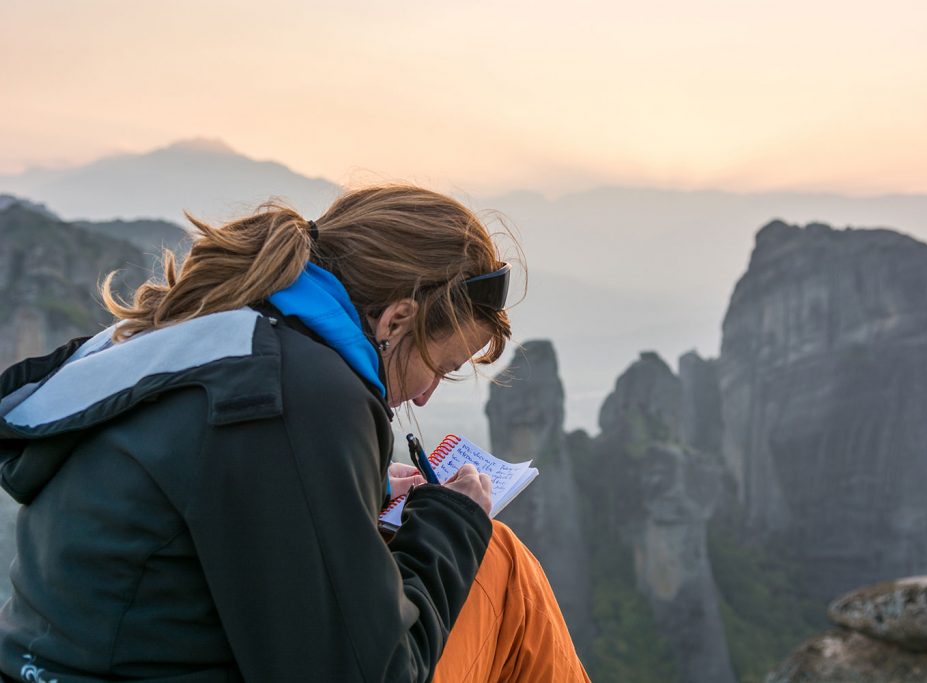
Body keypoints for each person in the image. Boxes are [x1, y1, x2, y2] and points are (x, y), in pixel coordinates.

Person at [0, 186, 590, 682]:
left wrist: (350, 489)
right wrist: (452, 522)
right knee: (494, 559)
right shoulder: (298, 395)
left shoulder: (218, 335)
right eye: (440, 366)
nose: (425, 396)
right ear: (397, 319)